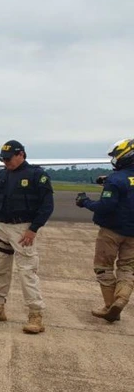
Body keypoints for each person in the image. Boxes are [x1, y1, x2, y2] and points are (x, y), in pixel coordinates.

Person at [0, 140, 54, 334]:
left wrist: (33, 229)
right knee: (0, 270)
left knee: (27, 272)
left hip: (23, 230)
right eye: (3, 159)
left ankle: (35, 315)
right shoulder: (1, 175)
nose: (6, 162)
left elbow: (47, 205)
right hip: (1, 228)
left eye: (9, 158)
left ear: (21, 154)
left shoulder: (37, 175)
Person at [75, 138, 134, 323]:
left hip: (111, 231)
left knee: (103, 268)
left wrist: (85, 202)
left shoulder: (116, 180)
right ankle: (122, 298)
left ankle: (110, 305)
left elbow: (105, 206)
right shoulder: (116, 179)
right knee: (127, 268)